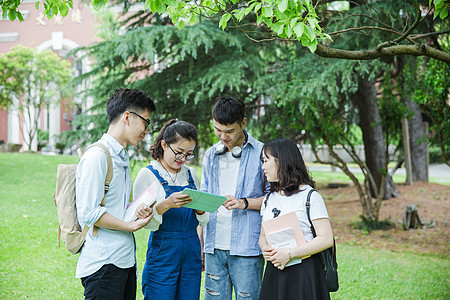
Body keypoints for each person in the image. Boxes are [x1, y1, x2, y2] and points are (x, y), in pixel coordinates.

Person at [75, 88, 156, 299]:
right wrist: (130, 225)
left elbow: (115, 206)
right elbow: (89, 213)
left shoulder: (121, 156)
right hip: (104, 265)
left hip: (124, 260)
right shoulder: (97, 156)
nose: (147, 130)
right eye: (146, 122)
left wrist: (135, 211)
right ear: (128, 117)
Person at [133, 119, 209, 300]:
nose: (182, 159)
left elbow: (203, 220)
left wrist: (200, 209)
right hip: (164, 249)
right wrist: (167, 204)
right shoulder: (148, 174)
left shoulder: (190, 174)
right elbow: (141, 222)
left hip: (191, 248)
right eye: (179, 152)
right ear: (164, 145)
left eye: (189, 154)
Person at [201, 96, 266, 300]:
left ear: (244, 123)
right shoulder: (211, 155)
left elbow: (276, 199)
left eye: (230, 131)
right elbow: (204, 199)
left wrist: (243, 203)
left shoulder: (262, 153)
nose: (223, 137)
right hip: (213, 245)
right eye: (217, 130)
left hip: (247, 246)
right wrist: (201, 240)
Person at [259, 138, 334, 300]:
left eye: (266, 161)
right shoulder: (268, 199)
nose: (263, 166)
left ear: (282, 161)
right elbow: (263, 236)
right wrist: (265, 248)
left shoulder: (310, 197)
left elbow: (326, 239)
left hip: (304, 274)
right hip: (275, 272)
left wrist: (290, 253)